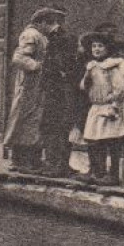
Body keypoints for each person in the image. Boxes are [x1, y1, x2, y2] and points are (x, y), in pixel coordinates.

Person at [77, 32, 124, 183]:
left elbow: (123, 86)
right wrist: (87, 77)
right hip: (96, 107)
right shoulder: (92, 66)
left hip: (111, 107)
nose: (96, 49)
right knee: (93, 140)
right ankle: (97, 172)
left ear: (108, 48)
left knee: (111, 141)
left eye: (100, 46)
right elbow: (84, 87)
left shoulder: (115, 65)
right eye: (94, 46)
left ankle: (113, 175)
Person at [4, 7, 63, 173]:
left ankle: (30, 160)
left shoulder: (40, 36)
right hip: (29, 85)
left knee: (35, 121)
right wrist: (38, 66)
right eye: (49, 23)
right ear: (41, 22)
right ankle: (21, 161)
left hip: (38, 85)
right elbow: (19, 57)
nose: (52, 27)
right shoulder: (31, 34)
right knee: (25, 119)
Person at [39, 13, 82, 174]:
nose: (39, 29)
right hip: (56, 90)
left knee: (58, 126)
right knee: (53, 126)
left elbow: (63, 66)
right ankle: (55, 163)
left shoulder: (61, 39)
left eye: (40, 24)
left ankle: (58, 165)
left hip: (60, 91)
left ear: (45, 23)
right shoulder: (58, 37)